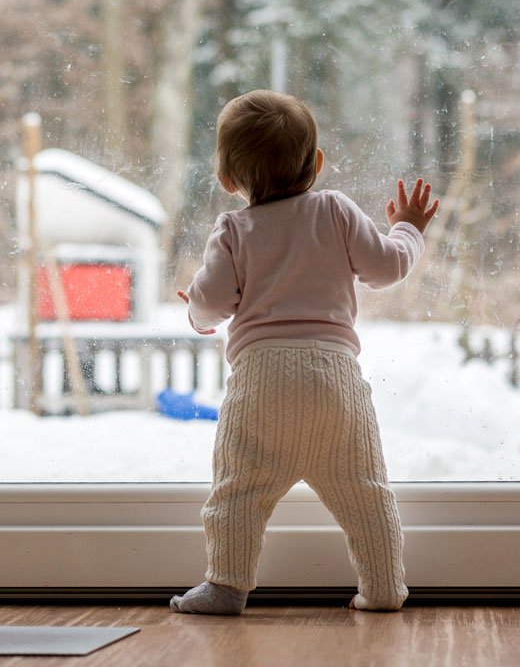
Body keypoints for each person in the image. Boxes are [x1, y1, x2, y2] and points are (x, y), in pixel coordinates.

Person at [170, 89, 439, 615]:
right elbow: (386, 268)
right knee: (366, 493)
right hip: (334, 378)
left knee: (237, 493)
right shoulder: (335, 210)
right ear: (316, 163)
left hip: (260, 381)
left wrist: (197, 316)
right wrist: (408, 227)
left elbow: (210, 301)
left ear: (228, 179)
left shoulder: (233, 229)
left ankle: (226, 586)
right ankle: (384, 588)